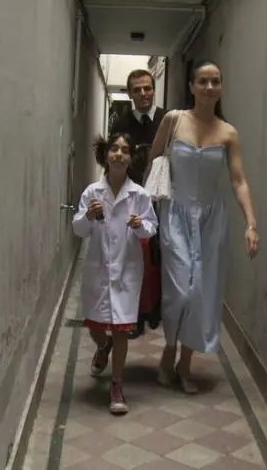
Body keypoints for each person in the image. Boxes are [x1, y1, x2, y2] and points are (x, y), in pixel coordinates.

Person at [145, 59, 260, 394]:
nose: (210, 87)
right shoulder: (174, 120)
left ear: (221, 87)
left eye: (216, 81)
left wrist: (251, 223)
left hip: (212, 221)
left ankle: (185, 363)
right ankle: (169, 349)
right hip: (175, 215)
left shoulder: (228, 133)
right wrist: (140, 211)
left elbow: (238, 180)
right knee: (180, 288)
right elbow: (153, 161)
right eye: (203, 81)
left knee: (202, 292)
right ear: (192, 86)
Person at [72, 132, 158, 415]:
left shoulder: (139, 195)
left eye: (125, 150)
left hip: (126, 270)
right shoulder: (92, 193)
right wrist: (87, 216)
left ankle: (117, 385)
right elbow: (79, 229)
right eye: (114, 149)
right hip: (98, 269)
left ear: (130, 159)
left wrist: (139, 225)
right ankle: (102, 346)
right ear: (106, 155)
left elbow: (151, 228)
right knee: (96, 327)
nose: (119, 154)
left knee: (122, 329)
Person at [110, 69, 167, 339]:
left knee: (160, 253)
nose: (143, 93)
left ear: (154, 89)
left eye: (147, 88)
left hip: (162, 198)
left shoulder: (167, 119)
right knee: (133, 256)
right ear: (130, 93)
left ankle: (155, 308)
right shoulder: (121, 124)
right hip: (131, 198)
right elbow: (114, 160)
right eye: (137, 89)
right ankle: (135, 314)